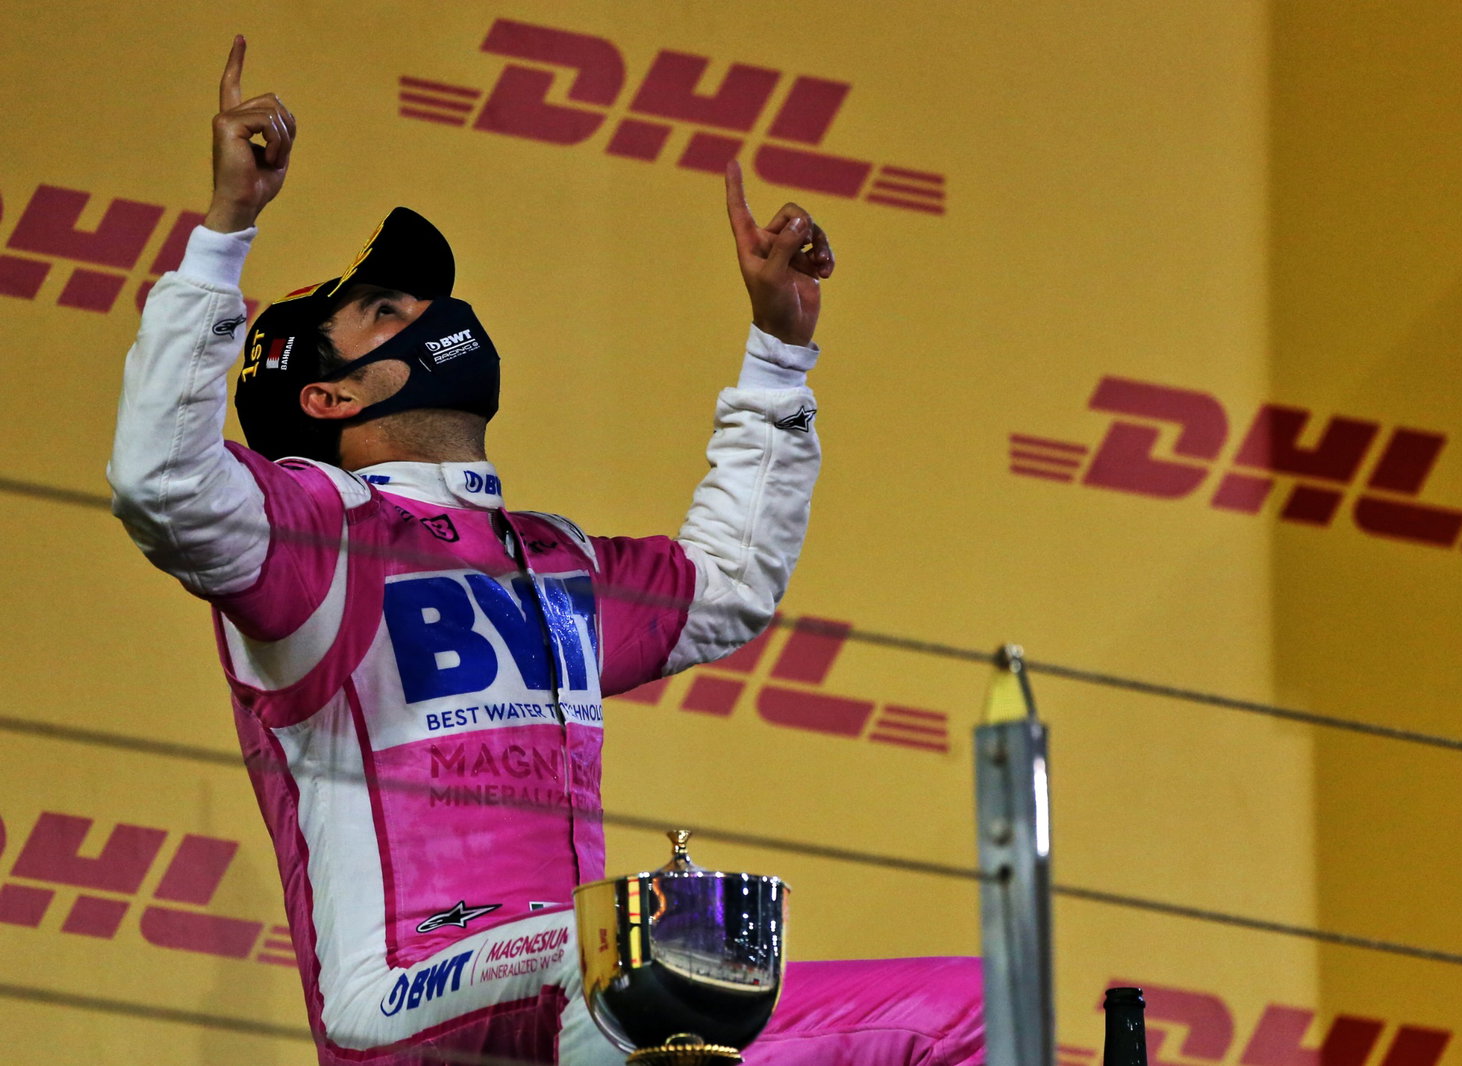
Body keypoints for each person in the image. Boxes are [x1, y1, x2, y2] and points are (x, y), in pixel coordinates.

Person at [109, 37, 983, 1066]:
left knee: (969, 1002)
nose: (431, 310)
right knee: (636, 943)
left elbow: (729, 582)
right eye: (387, 309)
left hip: (587, 999)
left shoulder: (552, 559)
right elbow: (160, 481)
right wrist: (225, 231)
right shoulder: (317, 535)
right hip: (402, 1000)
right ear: (330, 399)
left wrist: (779, 354)